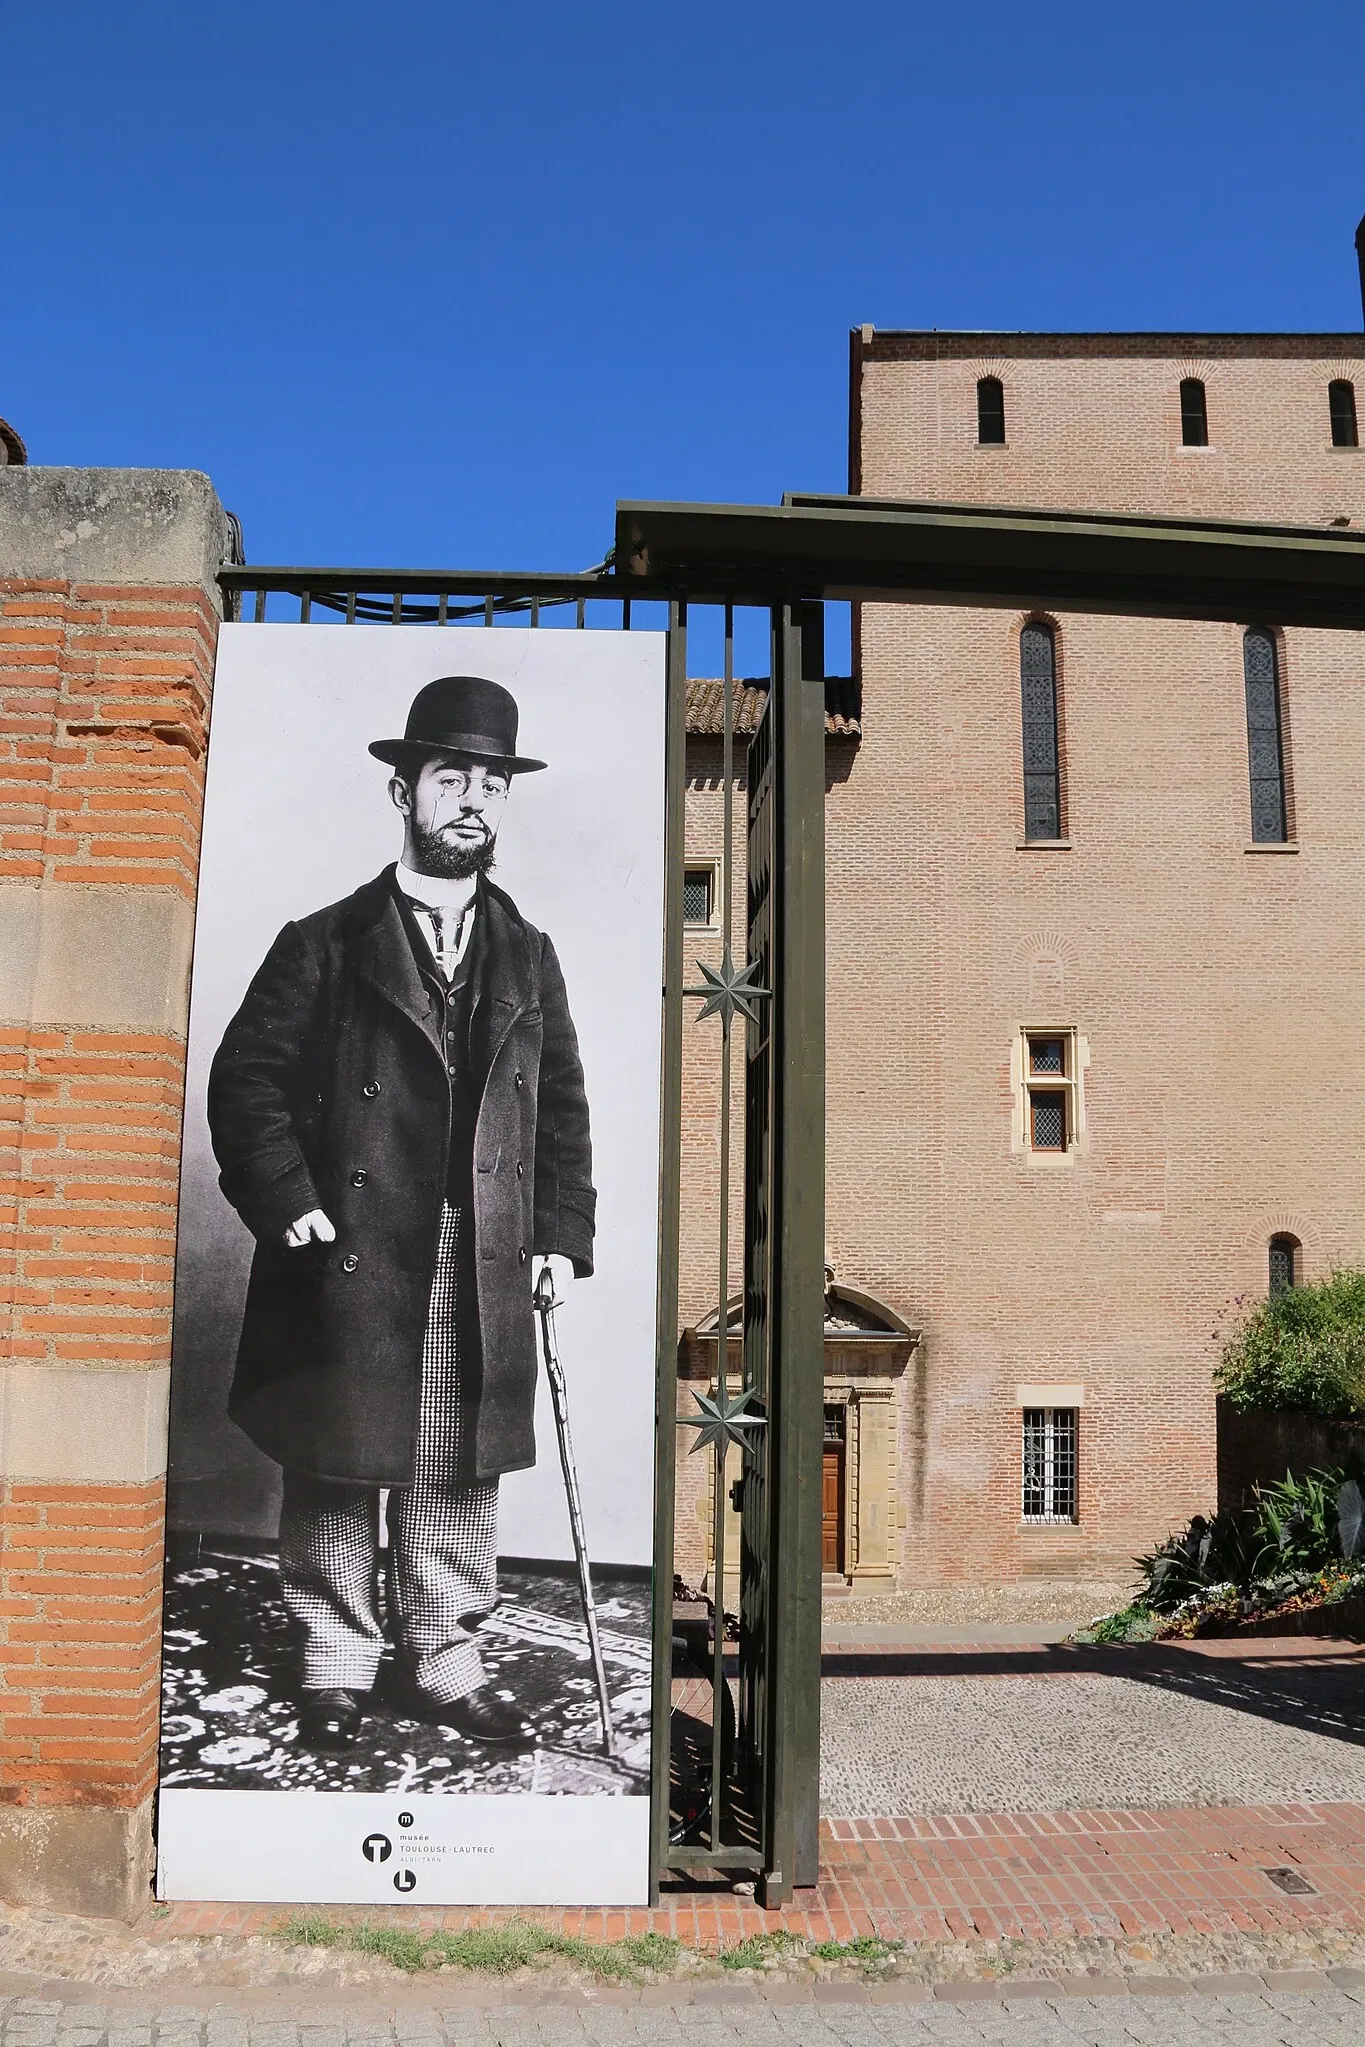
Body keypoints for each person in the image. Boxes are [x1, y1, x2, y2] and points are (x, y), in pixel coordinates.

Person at [207, 675, 595, 1753]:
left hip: (478, 1253)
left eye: (489, 782)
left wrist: (559, 1233)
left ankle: (447, 1661)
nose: (472, 799)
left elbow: (560, 1103)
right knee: (337, 1464)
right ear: (402, 791)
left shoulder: (531, 954)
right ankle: (333, 1661)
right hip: (350, 1255)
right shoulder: (322, 942)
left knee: (455, 1466)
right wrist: (289, 1202)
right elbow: (246, 1083)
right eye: (449, 778)